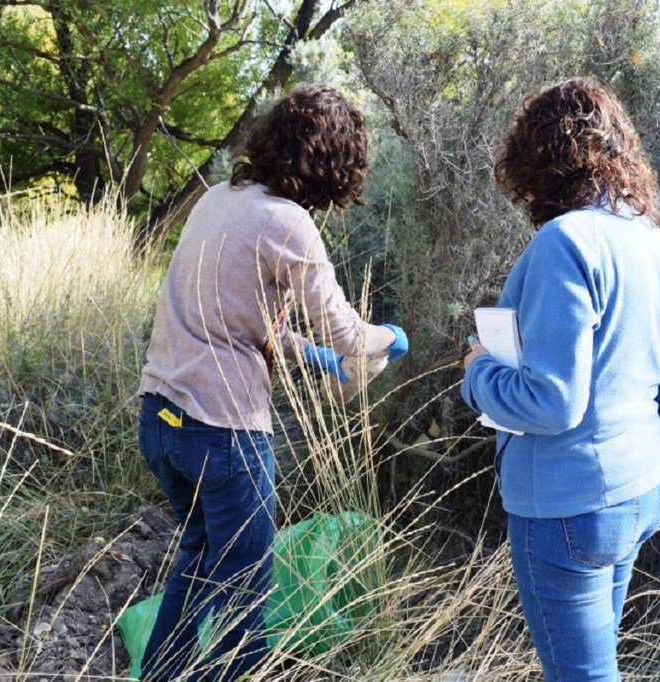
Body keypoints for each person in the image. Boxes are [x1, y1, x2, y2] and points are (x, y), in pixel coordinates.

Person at [137, 84, 408, 682]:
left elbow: (249, 327)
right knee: (245, 594)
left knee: (200, 560)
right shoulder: (289, 223)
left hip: (160, 419)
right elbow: (349, 334)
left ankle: (160, 675)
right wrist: (390, 335)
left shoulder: (218, 199)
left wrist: (314, 357)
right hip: (224, 432)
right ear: (333, 164)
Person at [461, 77, 660, 681]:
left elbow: (552, 403)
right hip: (641, 493)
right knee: (595, 667)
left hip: (568, 506)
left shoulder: (564, 242)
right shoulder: (659, 248)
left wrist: (477, 370)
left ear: (539, 162)